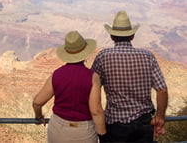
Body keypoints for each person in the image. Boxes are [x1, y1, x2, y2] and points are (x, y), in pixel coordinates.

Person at [91, 10, 168, 142]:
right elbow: (162, 89)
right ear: (132, 36)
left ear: (112, 36)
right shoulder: (147, 56)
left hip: (115, 124)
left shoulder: (103, 56)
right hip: (144, 123)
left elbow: (91, 87)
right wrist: (160, 116)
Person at [32, 30, 106, 143]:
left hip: (57, 129)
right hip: (83, 131)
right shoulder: (92, 77)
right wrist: (103, 136)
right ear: (85, 53)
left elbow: (37, 102)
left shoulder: (56, 74)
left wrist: (39, 116)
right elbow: (96, 111)